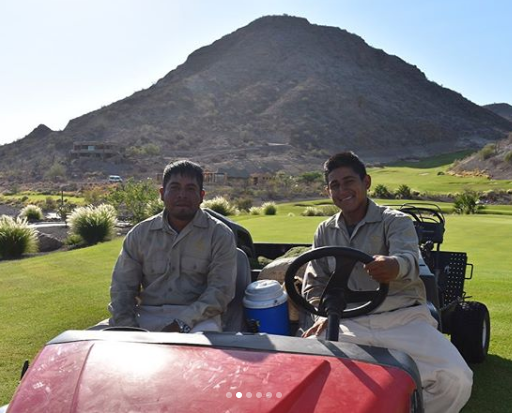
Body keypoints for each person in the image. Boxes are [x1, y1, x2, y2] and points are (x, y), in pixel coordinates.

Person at [302, 151, 473, 413]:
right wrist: (322, 312)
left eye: (349, 181)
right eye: (335, 185)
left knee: (455, 378)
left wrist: (394, 266)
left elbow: (408, 259)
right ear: (328, 190)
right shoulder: (325, 230)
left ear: (366, 182)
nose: (342, 190)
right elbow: (314, 281)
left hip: (401, 318)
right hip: (347, 321)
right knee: (304, 371)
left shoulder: (395, 221)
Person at [108, 160, 237, 333]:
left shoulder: (220, 235)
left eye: (190, 189)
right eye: (175, 188)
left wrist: (181, 324)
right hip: (146, 316)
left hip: (198, 320)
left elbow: (220, 292)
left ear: (202, 195)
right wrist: (127, 327)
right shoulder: (140, 234)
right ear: (162, 193)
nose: (182, 195)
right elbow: (122, 288)